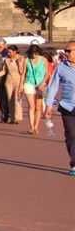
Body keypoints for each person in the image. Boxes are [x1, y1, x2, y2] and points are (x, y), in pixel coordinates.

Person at [43, 41, 75, 175]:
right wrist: (48, 105)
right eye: (66, 51)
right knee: (71, 135)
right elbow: (53, 86)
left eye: (69, 51)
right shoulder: (61, 67)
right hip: (67, 106)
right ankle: (74, 163)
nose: (66, 53)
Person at [23, 44, 46, 135]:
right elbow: (24, 73)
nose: (34, 56)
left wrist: (42, 83)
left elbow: (47, 73)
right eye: (32, 53)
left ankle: (36, 126)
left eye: (36, 53)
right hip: (29, 82)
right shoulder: (27, 60)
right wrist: (21, 85)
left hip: (40, 85)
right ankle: (31, 127)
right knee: (31, 106)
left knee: (38, 107)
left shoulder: (43, 60)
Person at [3, 45, 26, 124]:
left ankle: (18, 117)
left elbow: (22, 72)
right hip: (9, 81)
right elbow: (4, 71)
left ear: (15, 51)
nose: (9, 53)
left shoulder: (21, 59)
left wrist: (19, 63)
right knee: (10, 100)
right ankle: (12, 117)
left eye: (10, 52)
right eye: (8, 52)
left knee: (17, 99)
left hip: (18, 81)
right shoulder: (7, 60)